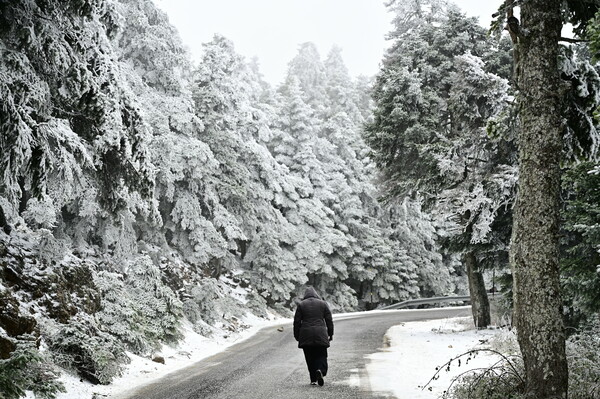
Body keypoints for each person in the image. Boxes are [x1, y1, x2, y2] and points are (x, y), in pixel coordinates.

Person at [293, 286, 334, 386]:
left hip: (306, 334)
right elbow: (329, 320)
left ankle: (313, 379)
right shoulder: (323, 304)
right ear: (316, 294)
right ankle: (320, 370)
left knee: (309, 357)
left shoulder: (301, 305)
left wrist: (297, 335)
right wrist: (330, 333)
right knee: (321, 355)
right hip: (320, 333)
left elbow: (297, 322)